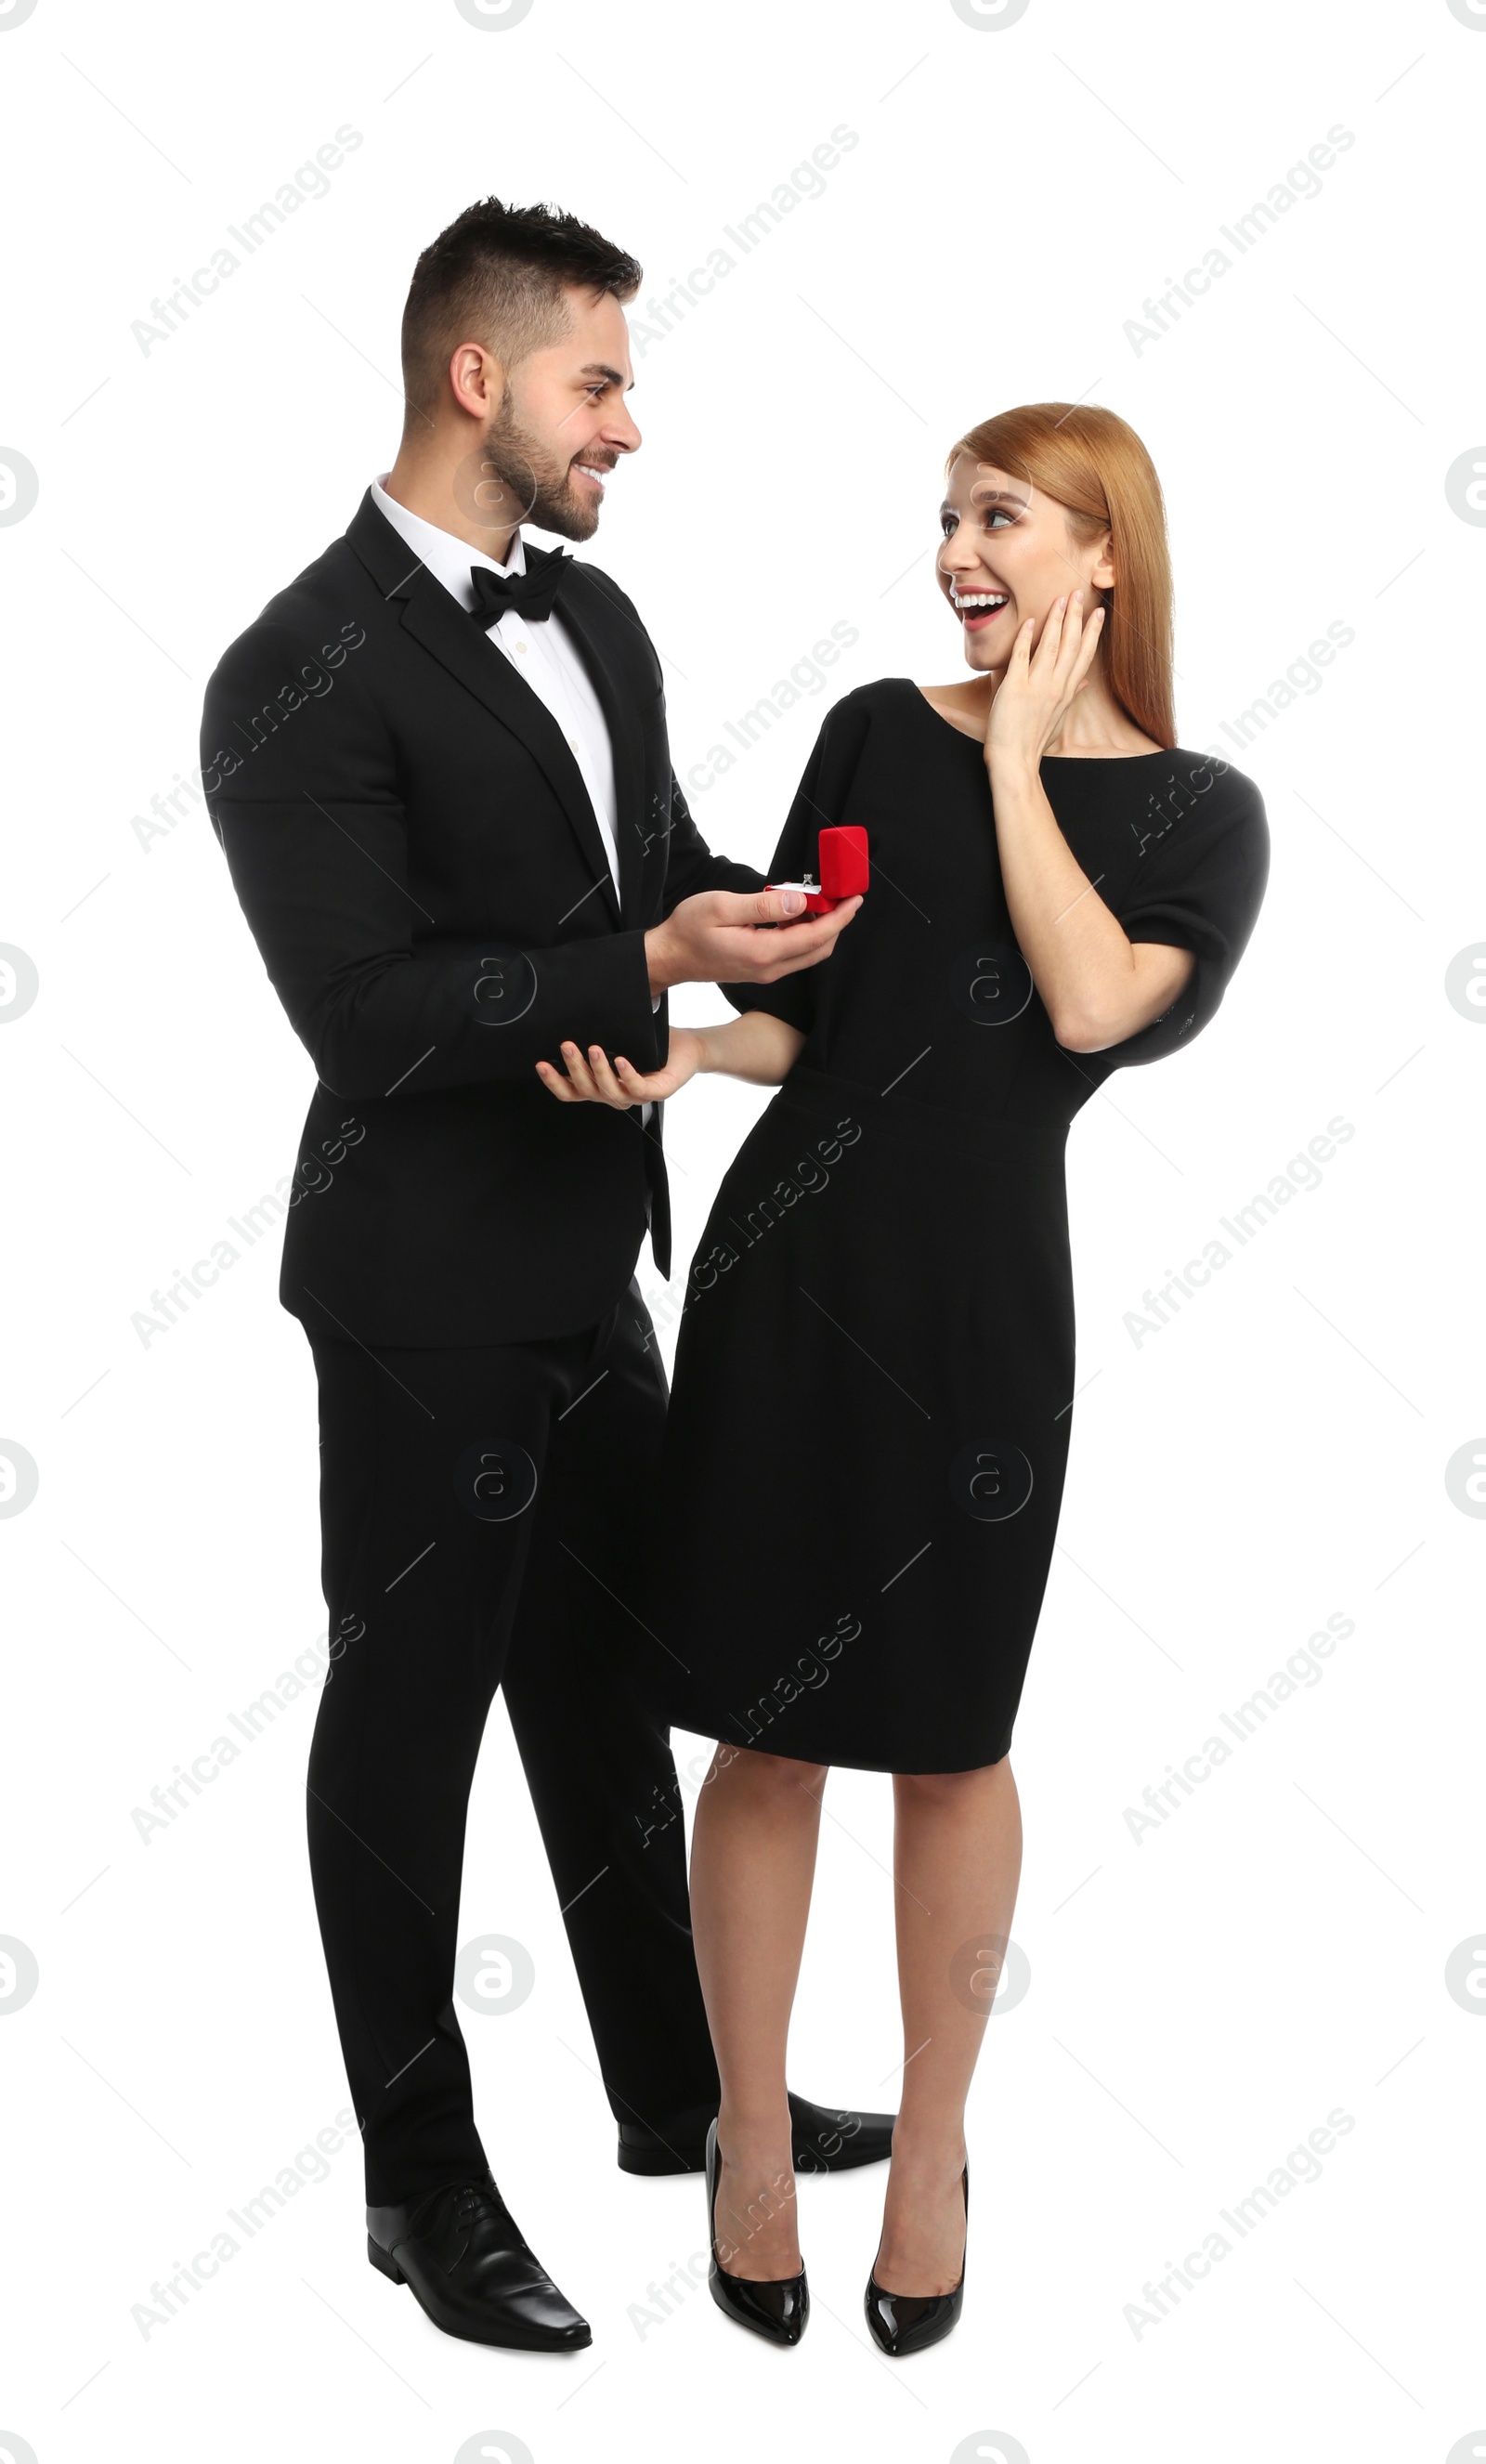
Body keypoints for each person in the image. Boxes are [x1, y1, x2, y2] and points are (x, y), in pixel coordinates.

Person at [199, 196, 890, 2356]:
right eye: (599, 380)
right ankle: (420, 2183)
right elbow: (364, 1011)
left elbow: (651, 873)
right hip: (416, 1291)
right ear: (476, 380)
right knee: (405, 1737)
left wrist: (760, 919)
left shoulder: (595, 622)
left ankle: (679, 2098)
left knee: (609, 1697)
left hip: (599, 1262)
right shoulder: (286, 667)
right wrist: (632, 966)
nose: (631, 424)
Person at [540, 402, 1270, 2353]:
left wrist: (1024, 760)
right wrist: (700, 1053)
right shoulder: (871, 725)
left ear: (1101, 551)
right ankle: (755, 2143)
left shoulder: (1197, 813)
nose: (955, 550)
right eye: (943, 514)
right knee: (759, 1733)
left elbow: (1092, 1003)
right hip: (788, 1277)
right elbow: (809, 1015)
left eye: (999, 517)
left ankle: (932, 2147)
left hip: (973, 1314)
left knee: (949, 1740)